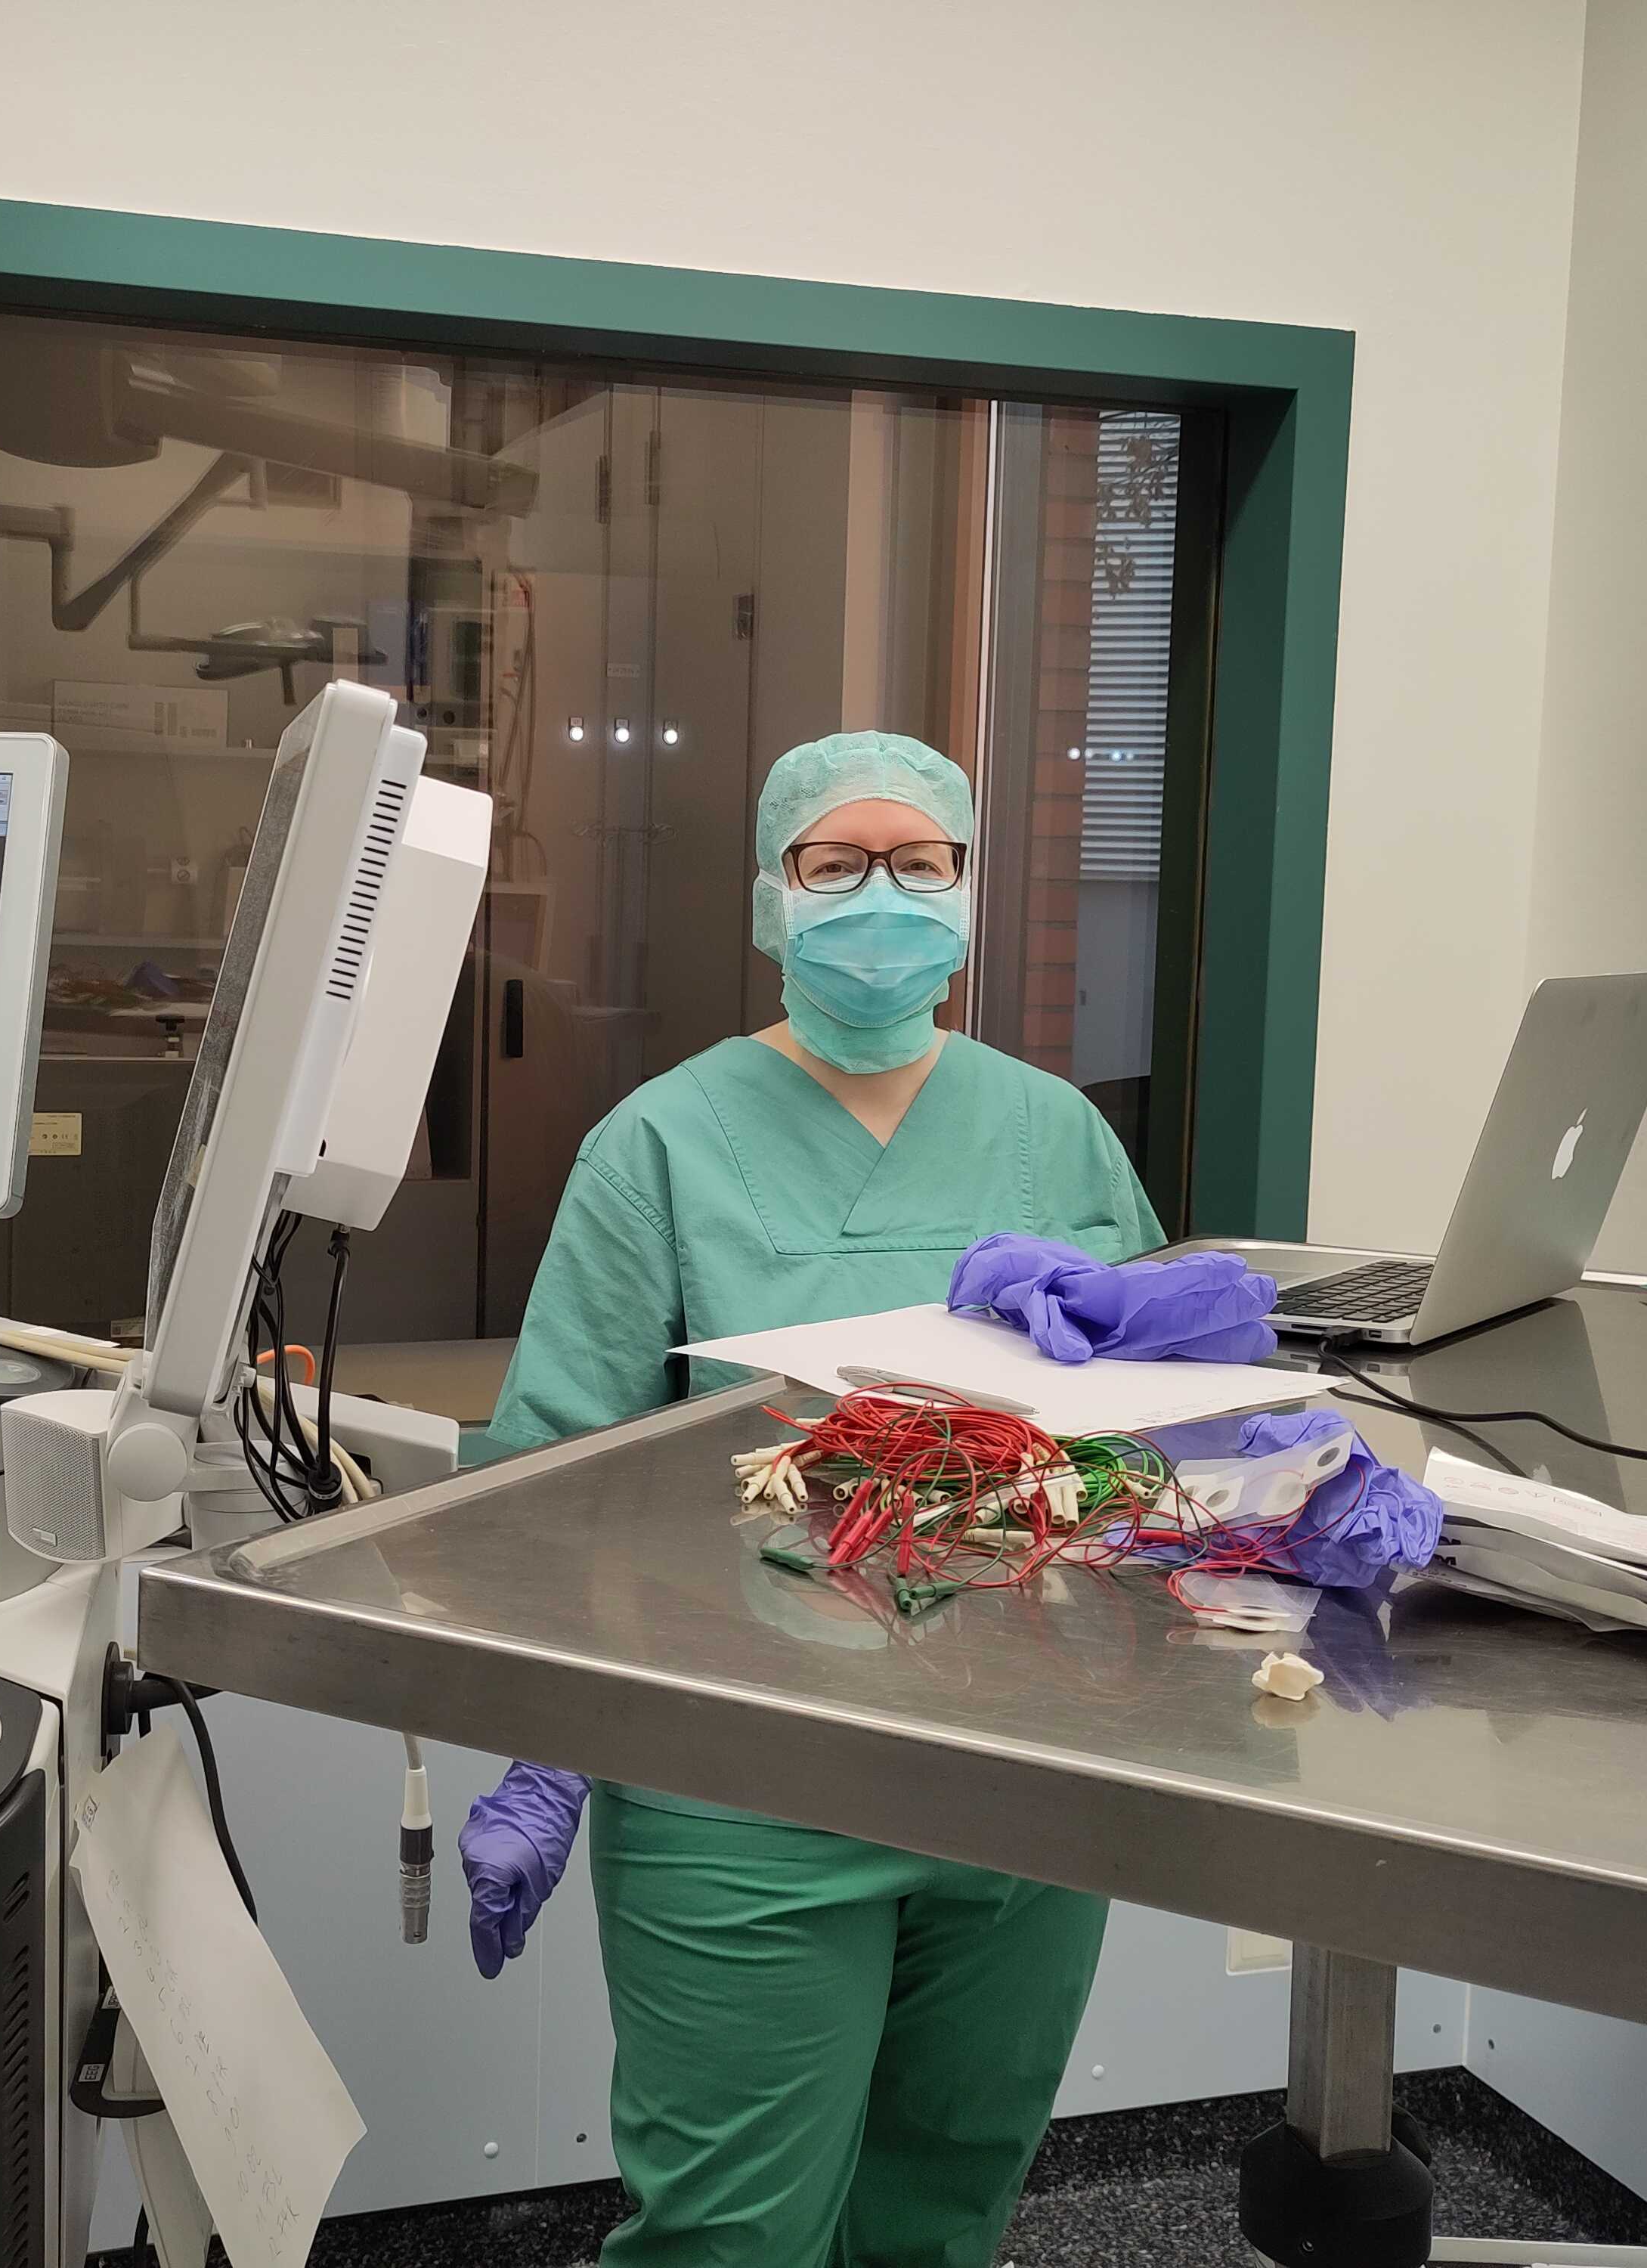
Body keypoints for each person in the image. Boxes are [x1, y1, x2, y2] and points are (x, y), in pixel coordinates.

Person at [465, 731, 1164, 2268]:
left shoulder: (1053, 1132)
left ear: (967, 888)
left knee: (945, 2207)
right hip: (743, 1782)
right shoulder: (660, 1143)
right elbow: (551, 1477)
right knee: (731, 2233)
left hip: (1023, 1765)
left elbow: (1138, 1440)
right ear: (770, 898)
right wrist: (548, 1746)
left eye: (919, 864)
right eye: (835, 865)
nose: (881, 897)